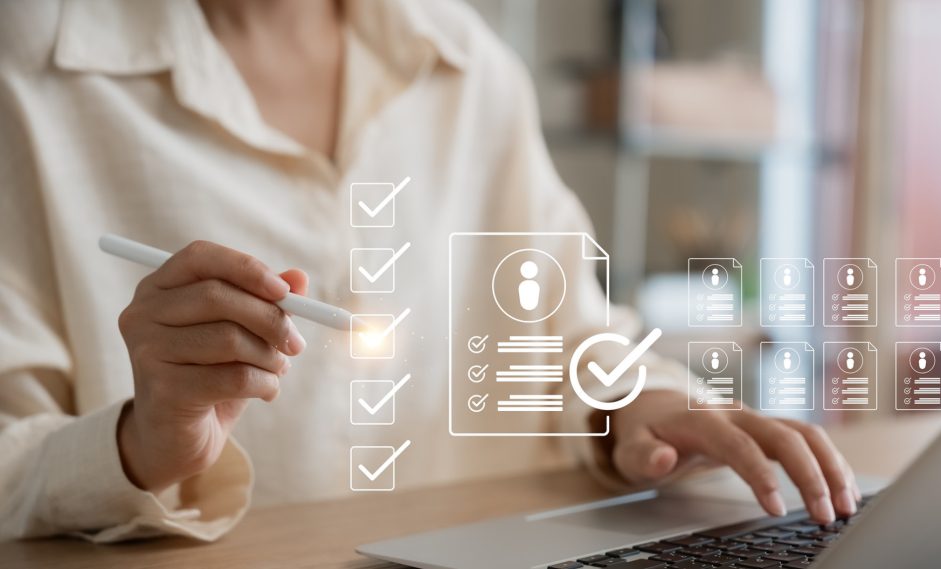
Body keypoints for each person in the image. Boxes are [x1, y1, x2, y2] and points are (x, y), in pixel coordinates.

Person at [0, 0, 859, 543]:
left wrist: (640, 404)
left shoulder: (466, 59)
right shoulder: (28, 72)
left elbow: (574, 337)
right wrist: (140, 443)